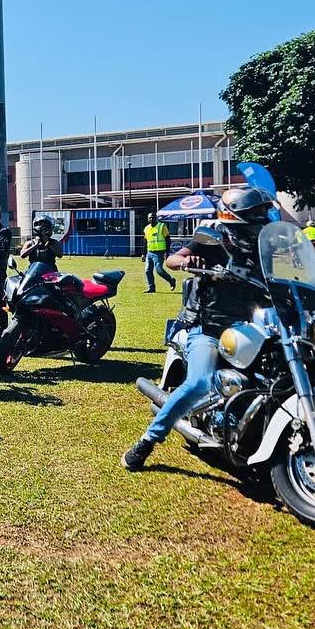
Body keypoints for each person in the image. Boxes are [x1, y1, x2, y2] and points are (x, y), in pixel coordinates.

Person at [122, 186, 276, 471]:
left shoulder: (261, 246)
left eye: (263, 213)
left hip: (249, 327)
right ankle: (147, 441)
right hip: (208, 326)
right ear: (237, 216)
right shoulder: (213, 238)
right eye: (256, 214)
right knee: (199, 382)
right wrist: (187, 262)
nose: (262, 218)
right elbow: (172, 259)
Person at [143, 212, 176, 293]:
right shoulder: (146, 228)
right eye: (150, 218)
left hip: (159, 252)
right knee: (147, 271)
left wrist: (167, 252)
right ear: (148, 219)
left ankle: (171, 280)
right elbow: (145, 242)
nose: (151, 219)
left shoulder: (162, 226)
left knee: (159, 270)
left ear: (156, 218)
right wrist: (143, 254)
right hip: (149, 252)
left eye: (153, 217)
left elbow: (168, 240)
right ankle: (151, 288)